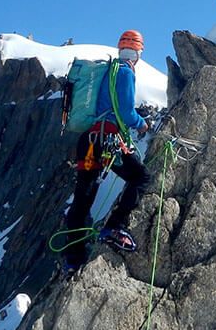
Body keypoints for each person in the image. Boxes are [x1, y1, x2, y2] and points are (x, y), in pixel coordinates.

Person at [63, 29, 150, 272]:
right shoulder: (124, 72)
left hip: (90, 140)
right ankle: (115, 227)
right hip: (108, 140)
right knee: (141, 177)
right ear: (138, 51)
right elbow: (125, 111)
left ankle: (73, 257)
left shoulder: (108, 71)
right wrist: (141, 124)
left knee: (84, 196)